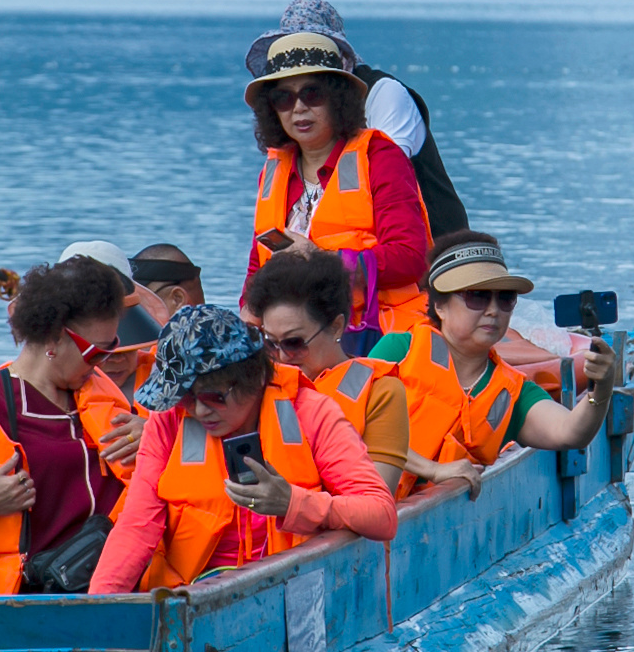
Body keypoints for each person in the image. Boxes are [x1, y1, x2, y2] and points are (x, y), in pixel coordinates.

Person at [89, 304, 397, 594]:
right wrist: (97, 607)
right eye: (184, 397)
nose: (198, 410)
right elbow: (136, 526)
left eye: (213, 396)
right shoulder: (169, 420)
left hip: (290, 591)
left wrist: (292, 502)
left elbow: (381, 513)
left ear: (256, 377)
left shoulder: (312, 413)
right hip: (189, 597)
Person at [0, 257, 142, 595]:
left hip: (118, 590)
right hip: (29, 600)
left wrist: (152, 439)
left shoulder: (106, 397)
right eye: (95, 353)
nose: (103, 364)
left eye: (111, 349)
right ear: (53, 337)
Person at [373, 231, 615, 492]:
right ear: (439, 306)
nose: (493, 310)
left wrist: (601, 388)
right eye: (476, 296)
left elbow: (571, 432)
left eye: (505, 298)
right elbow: (351, 421)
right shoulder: (397, 351)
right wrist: (432, 470)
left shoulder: (512, 392)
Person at [243, 29, 430, 338]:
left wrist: (322, 262)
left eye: (312, 94)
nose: (299, 108)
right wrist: (247, 315)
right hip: (290, 339)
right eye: (283, 98)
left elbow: (410, 258)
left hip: (374, 333)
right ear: (271, 109)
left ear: (338, 97)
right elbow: (256, 264)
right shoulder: (273, 170)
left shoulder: (380, 157)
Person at [274, 0, 468, 237]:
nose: (304, 64)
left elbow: (390, 183)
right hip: (348, 254)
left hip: (436, 248)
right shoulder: (296, 108)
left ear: (340, 53)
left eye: (313, 52)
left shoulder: (383, 94)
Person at [242, 246, 409, 493]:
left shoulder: (381, 392)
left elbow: (376, 498)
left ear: (337, 326)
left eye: (294, 343)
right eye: (270, 342)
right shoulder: (255, 386)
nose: (281, 357)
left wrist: (292, 505)